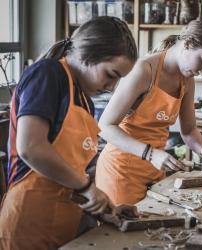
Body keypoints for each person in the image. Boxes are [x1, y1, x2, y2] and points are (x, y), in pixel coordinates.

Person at [0, 16, 138, 250]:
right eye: (111, 74)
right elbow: (31, 148)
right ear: (88, 55)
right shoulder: (47, 74)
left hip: (64, 225)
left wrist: (104, 207)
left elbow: (71, 172)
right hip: (29, 225)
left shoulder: (85, 100)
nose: (111, 86)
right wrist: (87, 187)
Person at [96, 20, 202, 205]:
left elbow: (189, 131)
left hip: (154, 171)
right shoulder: (144, 70)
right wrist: (150, 154)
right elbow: (105, 126)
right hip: (121, 171)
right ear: (188, 43)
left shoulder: (186, 80)